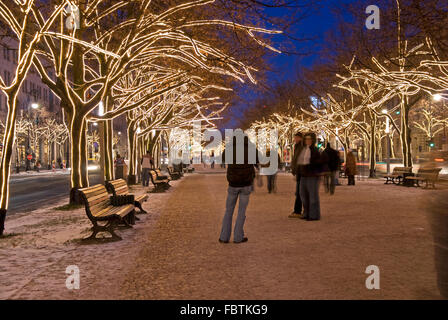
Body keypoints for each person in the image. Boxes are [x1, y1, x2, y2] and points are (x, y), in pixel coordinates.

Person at [219, 135, 258, 244]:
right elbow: (258, 160)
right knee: (242, 211)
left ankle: (224, 237)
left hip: (233, 184)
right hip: (246, 184)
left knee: (228, 211)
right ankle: (238, 237)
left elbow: (222, 159)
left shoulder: (229, 148)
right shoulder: (251, 149)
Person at [297, 132, 322, 221]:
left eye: (309, 139)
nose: (307, 141)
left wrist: (311, 167)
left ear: (313, 140)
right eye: (306, 139)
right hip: (304, 175)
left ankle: (314, 214)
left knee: (312, 196)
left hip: (312, 175)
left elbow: (318, 163)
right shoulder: (304, 149)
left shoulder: (315, 151)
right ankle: (306, 212)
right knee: (303, 195)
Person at [289, 132, 304, 218]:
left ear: (300, 138)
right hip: (299, 172)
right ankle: (297, 210)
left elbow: (299, 160)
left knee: (299, 192)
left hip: (301, 172)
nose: (295, 139)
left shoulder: (301, 147)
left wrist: (296, 169)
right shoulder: (297, 146)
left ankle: (297, 211)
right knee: (298, 192)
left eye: (296, 138)